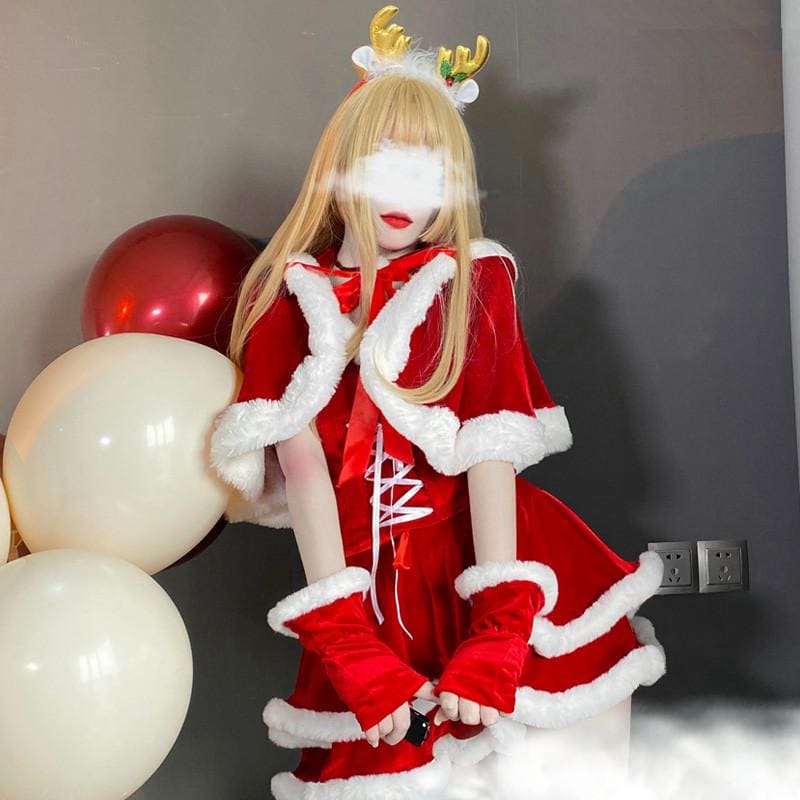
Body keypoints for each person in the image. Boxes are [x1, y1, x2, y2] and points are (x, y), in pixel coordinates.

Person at [209, 6, 666, 798]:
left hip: (501, 568)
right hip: (371, 604)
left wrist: (500, 628)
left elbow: (490, 451)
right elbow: (305, 472)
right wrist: (346, 641)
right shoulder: (288, 299)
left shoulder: (472, 281)